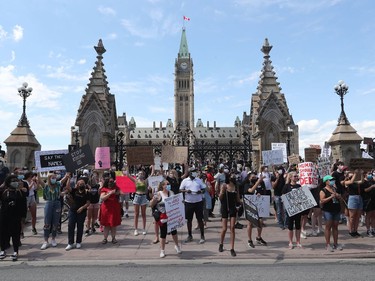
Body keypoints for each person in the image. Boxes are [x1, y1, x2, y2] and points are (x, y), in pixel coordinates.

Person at [150, 179, 182, 258]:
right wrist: (154, 199)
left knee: (174, 231)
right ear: (162, 186)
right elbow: (151, 204)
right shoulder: (159, 194)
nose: (168, 185)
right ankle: (162, 250)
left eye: (169, 184)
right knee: (163, 233)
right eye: (166, 184)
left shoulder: (171, 193)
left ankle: (177, 246)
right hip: (163, 217)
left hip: (172, 216)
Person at [39, 172, 70, 250]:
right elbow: (39, 180)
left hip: (57, 203)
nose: (54, 179)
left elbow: (64, 179)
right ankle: (46, 240)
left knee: (56, 222)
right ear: (49, 178)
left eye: (55, 177)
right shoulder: (46, 186)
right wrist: (37, 172)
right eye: (52, 178)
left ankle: (53, 238)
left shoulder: (58, 184)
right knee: (47, 222)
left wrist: (67, 174)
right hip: (49, 203)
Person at [0, 175, 27, 261]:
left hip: (16, 217)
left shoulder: (20, 192)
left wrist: (23, 217)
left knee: (15, 235)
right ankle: (3, 250)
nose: (15, 182)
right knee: (3, 234)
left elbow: (24, 205)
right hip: (4, 217)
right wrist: (4, 184)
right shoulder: (4, 192)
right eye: (13, 181)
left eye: (16, 181)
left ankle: (15, 251)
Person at [180, 167, 206, 244]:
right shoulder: (185, 181)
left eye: (196, 171)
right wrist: (186, 191)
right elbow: (180, 189)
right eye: (194, 172)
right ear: (190, 173)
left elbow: (204, 189)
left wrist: (200, 191)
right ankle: (190, 235)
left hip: (198, 202)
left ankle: (202, 236)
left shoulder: (198, 180)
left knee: (200, 219)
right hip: (188, 202)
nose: (195, 173)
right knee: (189, 220)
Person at [243, 172, 268, 248]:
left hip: (258, 205)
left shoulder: (261, 184)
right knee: (250, 223)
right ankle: (249, 240)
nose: (254, 178)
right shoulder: (247, 185)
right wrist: (258, 182)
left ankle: (258, 237)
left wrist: (260, 195)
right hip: (249, 206)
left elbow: (263, 191)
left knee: (260, 222)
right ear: (249, 178)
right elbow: (250, 190)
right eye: (252, 177)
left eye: (255, 177)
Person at [218, 173, 241, 257]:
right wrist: (223, 191)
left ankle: (232, 248)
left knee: (232, 227)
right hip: (225, 207)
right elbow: (220, 198)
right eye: (232, 176)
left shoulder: (236, 186)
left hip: (232, 207)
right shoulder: (224, 185)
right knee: (224, 228)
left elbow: (238, 199)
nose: (233, 177)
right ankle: (221, 243)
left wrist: (243, 203)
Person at [65, 178, 90, 250]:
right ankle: (70, 243)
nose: (81, 185)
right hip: (73, 211)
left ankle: (78, 242)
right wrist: (68, 178)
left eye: (83, 184)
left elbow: (88, 203)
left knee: (80, 226)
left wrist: (82, 208)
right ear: (77, 185)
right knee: (71, 226)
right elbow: (67, 187)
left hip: (82, 212)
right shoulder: (74, 190)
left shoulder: (87, 192)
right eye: (80, 184)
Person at [320, 175, 343, 252]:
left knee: (335, 227)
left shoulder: (335, 189)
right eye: (330, 180)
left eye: (333, 180)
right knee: (328, 227)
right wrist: (331, 197)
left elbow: (340, 198)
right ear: (326, 181)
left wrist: (338, 196)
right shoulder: (323, 190)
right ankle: (328, 244)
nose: (332, 181)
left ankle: (336, 244)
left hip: (336, 210)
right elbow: (322, 200)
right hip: (328, 210)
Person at [282, 171, 303, 249]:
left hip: (298, 208)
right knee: (290, 226)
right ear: (290, 177)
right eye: (295, 176)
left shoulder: (299, 186)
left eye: (297, 176)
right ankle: (290, 242)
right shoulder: (286, 186)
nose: (296, 177)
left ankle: (298, 242)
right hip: (290, 209)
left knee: (298, 226)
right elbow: (283, 196)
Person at [99, 175, 121, 244]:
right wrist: (110, 193)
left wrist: (117, 189)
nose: (111, 183)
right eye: (110, 181)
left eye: (112, 181)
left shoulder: (116, 188)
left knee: (113, 225)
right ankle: (105, 238)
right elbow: (102, 198)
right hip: (106, 209)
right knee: (106, 225)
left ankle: (113, 238)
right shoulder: (104, 189)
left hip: (114, 208)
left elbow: (120, 192)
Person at [344, 169, 364, 237]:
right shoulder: (347, 182)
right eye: (350, 174)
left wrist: (361, 174)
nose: (351, 174)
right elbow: (351, 181)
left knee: (357, 216)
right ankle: (351, 230)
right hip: (352, 198)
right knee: (352, 216)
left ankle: (355, 230)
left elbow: (362, 181)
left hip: (359, 197)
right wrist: (355, 173)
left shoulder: (356, 182)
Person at [133, 170, 149, 236]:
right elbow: (127, 175)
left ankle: (144, 229)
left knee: (143, 214)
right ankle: (136, 229)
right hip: (137, 196)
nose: (140, 174)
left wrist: (153, 166)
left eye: (142, 173)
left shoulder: (145, 181)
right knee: (136, 214)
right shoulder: (136, 181)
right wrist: (128, 165)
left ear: (144, 175)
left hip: (143, 197)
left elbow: (152, 174)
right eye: (139, 173)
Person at [85, 172, 100, 236]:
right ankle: (88, 229)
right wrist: (88, 189)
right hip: (90, 203)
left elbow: (99, 192)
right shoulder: (87, 186)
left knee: (94, 217)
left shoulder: (97, 186)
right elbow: (85, 192)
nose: (94, 179)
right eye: (93, 178)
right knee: (89, 217)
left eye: (95, 178)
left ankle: (93, 228)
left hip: (96, 203)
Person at [362, 172, 375, 236]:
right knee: (368, 215)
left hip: (373, 200)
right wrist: (371, 187)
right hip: (368, 200)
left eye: (370, 174)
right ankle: (368, 230)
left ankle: (373, 229)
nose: (370, 175)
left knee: (373, 215)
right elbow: (365, 190)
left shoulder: (372, 181)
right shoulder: (364, 182)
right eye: (368, 174)